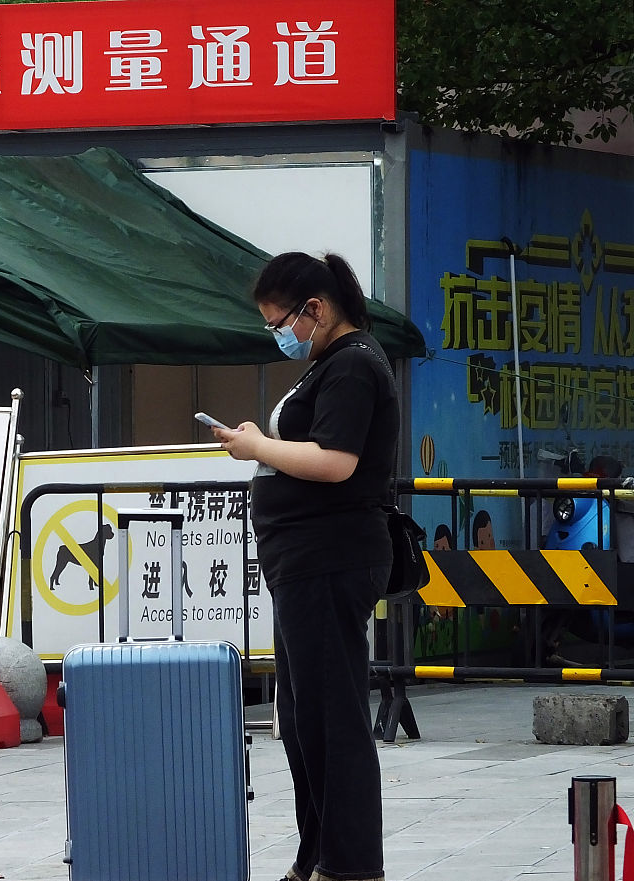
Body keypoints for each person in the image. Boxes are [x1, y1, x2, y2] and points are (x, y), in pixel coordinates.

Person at [212, 251, 398, 881]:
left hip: (330, 559)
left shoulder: (352, 365)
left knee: (331, 716)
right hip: (305, 563)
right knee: (302, 719)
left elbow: (336, 461)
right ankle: (316, 854)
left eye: (280, 322)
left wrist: (259, 447)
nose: (278, 335)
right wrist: (260, 445)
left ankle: (349, 864)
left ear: (316, 310)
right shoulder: (331, 364)